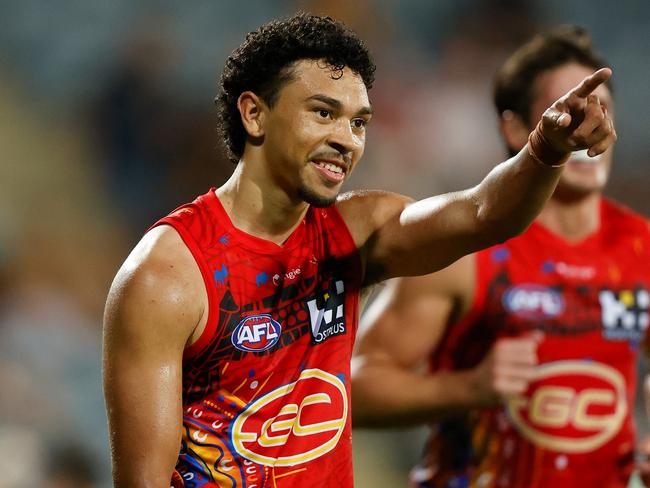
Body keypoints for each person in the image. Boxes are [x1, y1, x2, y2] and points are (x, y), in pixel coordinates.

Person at [102, 15, 615, 488]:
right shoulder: (168, 273)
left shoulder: (356, 231)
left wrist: (546, 148)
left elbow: (484, 213)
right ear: (255, 114)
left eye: (358, 123)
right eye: (323, 113)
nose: (346, 139)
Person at [351, 26, 649, 488]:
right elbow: (353, 388)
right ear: (515, 128)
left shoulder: (641, 248)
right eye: (571, 110)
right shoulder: (465, 250)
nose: (590, 124)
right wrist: (466, 389)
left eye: (600, 109)